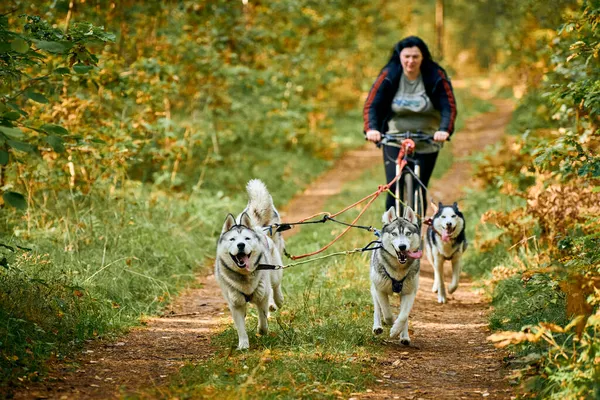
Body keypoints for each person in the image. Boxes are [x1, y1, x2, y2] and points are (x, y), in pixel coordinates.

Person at [363, 36, 457, 215]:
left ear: (423, 57)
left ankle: (418, 229)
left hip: (427, 138)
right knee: (393, 187)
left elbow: (448, 106)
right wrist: (372, 129)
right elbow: (372, 104)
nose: (410, 61)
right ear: (399, 56)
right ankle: (389, 236)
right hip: (394, 139)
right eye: (406, 56)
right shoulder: (390, 74)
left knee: (419, 189)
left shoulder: (434, 75)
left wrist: (444, 130)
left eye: (415, 57)